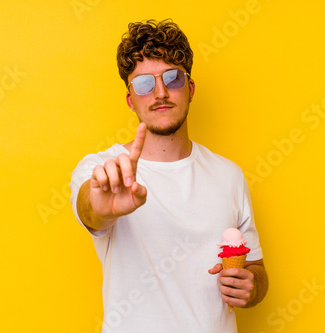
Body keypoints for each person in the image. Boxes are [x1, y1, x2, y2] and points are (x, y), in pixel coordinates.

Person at [70, 19, 268, 332]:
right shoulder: (105, 170)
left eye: (173, 79)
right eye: (145, 84)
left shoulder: (229, 175)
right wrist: (100, 207)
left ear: (189, 89)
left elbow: (256, 270)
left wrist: (252, 285)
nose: (160, 92)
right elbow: (90, 209)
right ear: (131, 100)